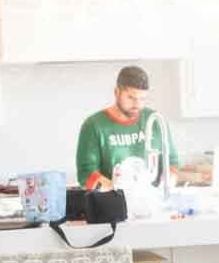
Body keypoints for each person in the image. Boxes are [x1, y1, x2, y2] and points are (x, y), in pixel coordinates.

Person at [75, 64, 178, 193]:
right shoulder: (93, 125)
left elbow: (172, 161)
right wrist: (120, 192)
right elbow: (86, 174)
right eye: (131, 98)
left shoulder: (155, 121)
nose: (137, 104)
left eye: (142, 98)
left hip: (151, 201)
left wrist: (166, 183)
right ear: (116, 92)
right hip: (113, 203)